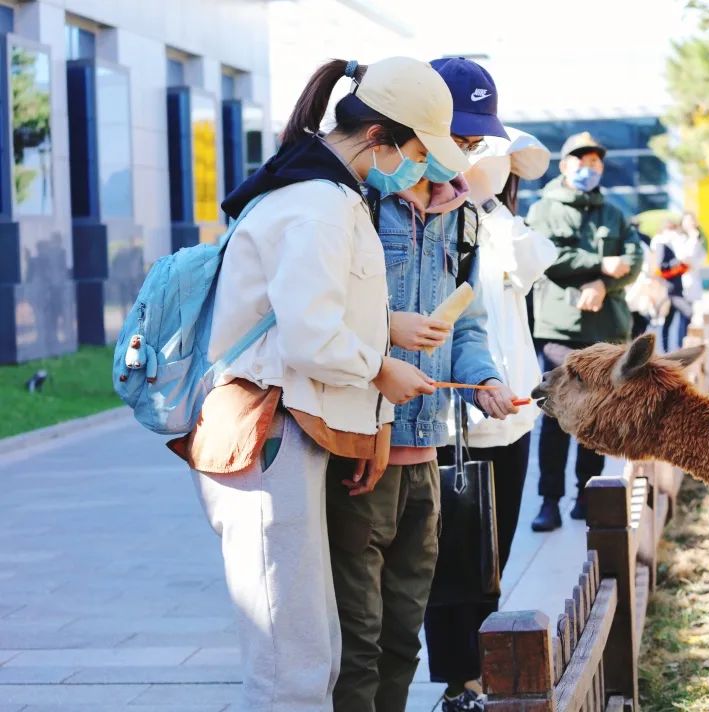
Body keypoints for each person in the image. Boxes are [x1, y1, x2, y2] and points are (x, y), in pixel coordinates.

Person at [180, 56, 462, 711]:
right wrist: (380, 369)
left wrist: (371, 423)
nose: (424, 168)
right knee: (293, 660)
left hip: (282, 433)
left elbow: (323, 318)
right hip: (267, 437)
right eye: (419, 151)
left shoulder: (320, 195)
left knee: (309, 650)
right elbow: (315, 337)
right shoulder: (318, 205)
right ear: (376, 137)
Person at [327, 57, 518, 712]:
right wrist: (387, 333)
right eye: (454, 139)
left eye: (469, 144)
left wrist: (484, 375)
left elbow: (463, 325)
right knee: (362, 636)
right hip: (360, 449)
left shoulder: (461, 218)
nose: (459, 155)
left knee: (405, 636)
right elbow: (324, 319)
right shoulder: (358, 200)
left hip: (426, 452)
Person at [425, 128, 556, 711]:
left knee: (493, 554)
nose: (499, 169)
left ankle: (483, 668)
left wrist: (491, 196)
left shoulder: (501, 227)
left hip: (514, 412)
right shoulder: (433, 220)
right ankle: (461, 679)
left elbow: (529, 269)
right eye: (483, 152)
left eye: (504, 163)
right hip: (456, 415)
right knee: (454, 555)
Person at [527, 131, 644, 532]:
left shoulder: (613, 211)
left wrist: (601, 285)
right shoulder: (544, 209)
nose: (588, 168)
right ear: (564, 165)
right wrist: (599, 263)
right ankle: (549, 501)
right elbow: (546, 256)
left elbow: (634, 256)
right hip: (561, 329)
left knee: (597, 413)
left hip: (606, 328)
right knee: (557, 412)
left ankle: (587, 494)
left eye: (595, 162)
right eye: (580, 160)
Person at [651, 218, 706, 351]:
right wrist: (677, 266)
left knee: (670, 321)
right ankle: (669, 349)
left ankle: (670, 349)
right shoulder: (661, 244)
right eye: (670, 229)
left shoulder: (673, 244)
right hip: (669, 290)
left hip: (676, 289)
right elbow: (660, 268)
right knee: (686, 313)